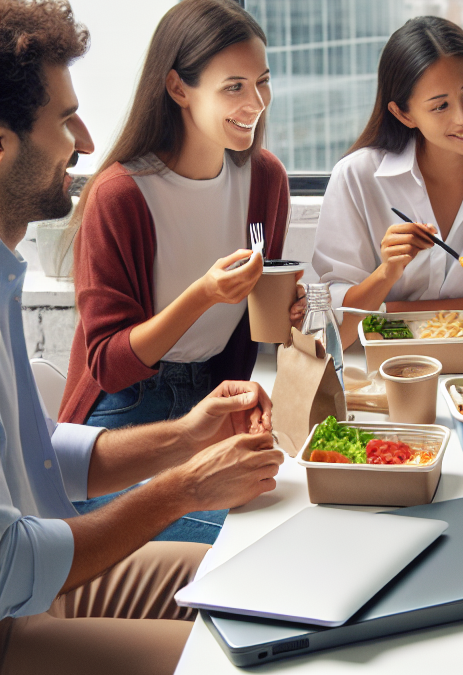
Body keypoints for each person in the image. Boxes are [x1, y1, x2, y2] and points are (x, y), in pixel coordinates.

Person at [0, 3, 285, 672]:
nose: (87, 140)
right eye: (65, 119)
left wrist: (187, 437)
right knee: (255, 657)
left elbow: (36, 451)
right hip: (14, 616)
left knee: (266, 581)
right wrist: (184, 485)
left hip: (35, 583)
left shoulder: (4, 272)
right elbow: (13, 566)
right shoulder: (121, 194)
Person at [55, 0, 302, 544]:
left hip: (216, 397)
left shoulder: (265, 180)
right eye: (233, 87)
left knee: (294, 511)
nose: (256, 102)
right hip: (125, 419)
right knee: (250, 537)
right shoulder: (120, 195)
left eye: (262, 82)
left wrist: (284, 310)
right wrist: (203, 295)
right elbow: (108, 366)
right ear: (178, 88)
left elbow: (257, 332)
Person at [313, 16, 463, 348]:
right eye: (440, 105)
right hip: (380, 369)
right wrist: (386, 273)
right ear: (404, 114)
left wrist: (394, 313)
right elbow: (332, 321)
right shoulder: (356, 177)